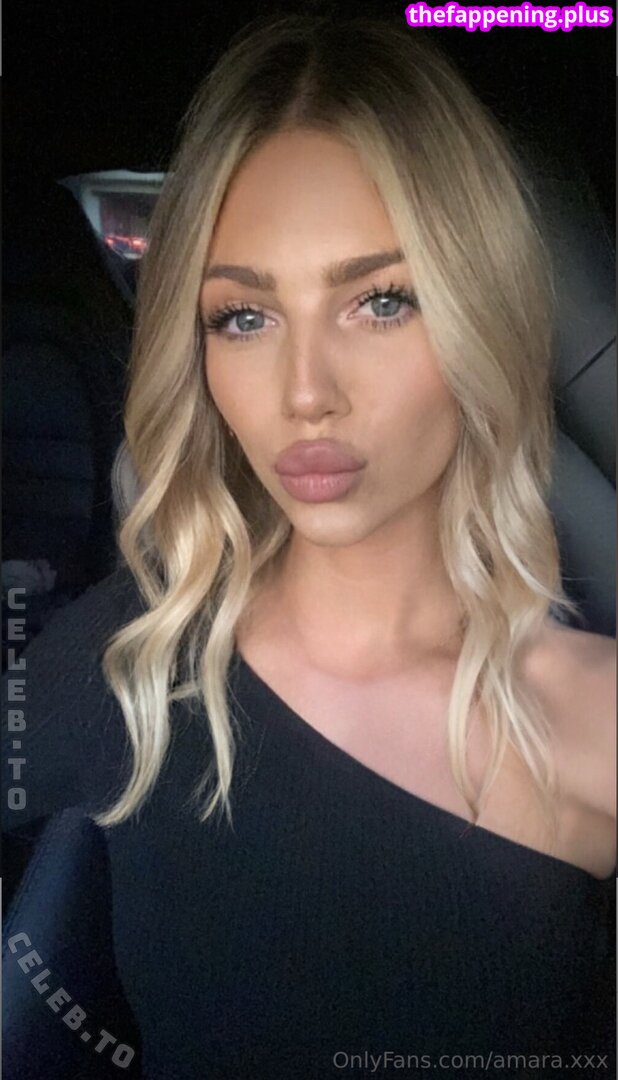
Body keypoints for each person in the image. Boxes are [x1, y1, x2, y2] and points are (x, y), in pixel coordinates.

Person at [3, 13, 615, 1080]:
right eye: (243, 317)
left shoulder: (595, 726)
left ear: (480, 313)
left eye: (380, 301)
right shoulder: (130, 663)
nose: (305, 393)